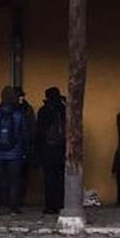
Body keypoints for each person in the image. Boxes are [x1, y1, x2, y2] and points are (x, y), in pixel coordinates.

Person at [0, 86, 30, 215]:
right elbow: (24, 134)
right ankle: (13, 208)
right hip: (15, 153)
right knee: (14, 181)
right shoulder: (19, 114)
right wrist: (25, 151)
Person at [35, 87, 67, 215]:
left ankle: (50, 205)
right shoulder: (63, 110)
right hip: (62, 149)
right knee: (60, 178)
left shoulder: (44, 111)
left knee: (49, 179)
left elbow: (39, 132)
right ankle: (60, 203)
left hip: (47, 150)